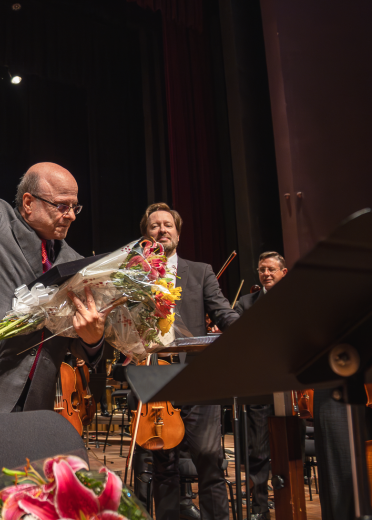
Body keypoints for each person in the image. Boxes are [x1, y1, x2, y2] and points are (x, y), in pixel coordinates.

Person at [0, 77, 108, 413]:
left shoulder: (75, 261)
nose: (71, 215)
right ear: (28, 203)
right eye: (62, 205)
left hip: (34, 402)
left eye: (75, 207)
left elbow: (82, 347)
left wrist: (93, 337)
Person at [137, 203, 239, 520]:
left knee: (209, 458)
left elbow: (223, 313)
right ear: (146, 237)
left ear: (178, 235)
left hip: (197, 377)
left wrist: (250, 333)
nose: (162, 230)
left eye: (168, 225)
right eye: (155, 226)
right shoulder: (135, 277)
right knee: (163, 464)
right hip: (156, 379)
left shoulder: (200, 271)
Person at [233, 251, 287, 520]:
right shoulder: (245, 303)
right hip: (259, 384)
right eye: (262, 269)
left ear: (283, 273)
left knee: (290, 448)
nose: (265, 274)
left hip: (290, 387)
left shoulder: (296, 301)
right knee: (258, 450)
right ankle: (259, 508)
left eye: (271, 269)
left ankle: (290, 503)